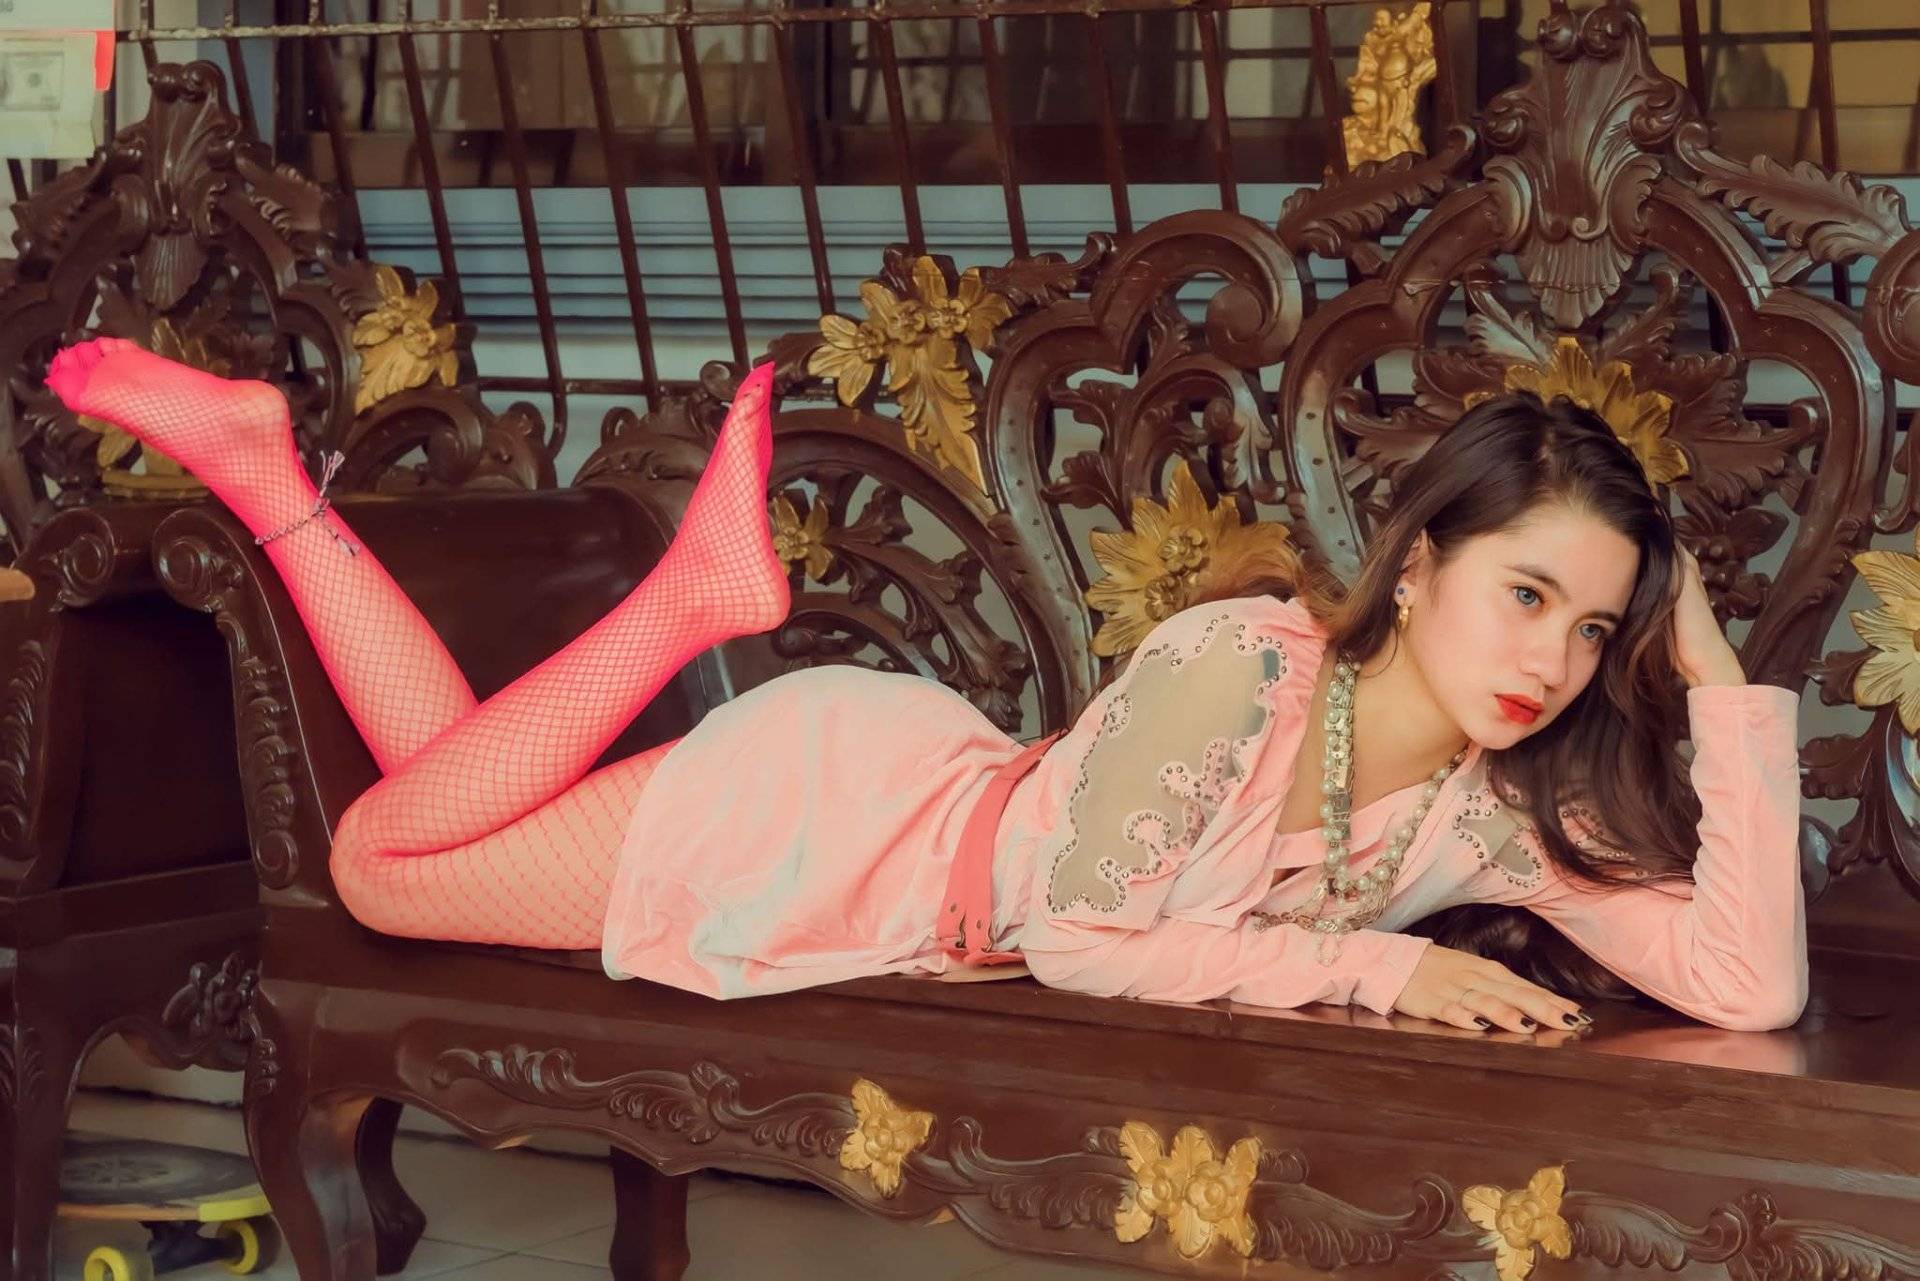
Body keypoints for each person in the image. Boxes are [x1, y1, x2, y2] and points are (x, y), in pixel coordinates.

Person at [46, 338, 1807, 1035]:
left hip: (892, 897)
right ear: (1418, 566)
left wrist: (1720, 684)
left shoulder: (1495, 816)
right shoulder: (1239, 668)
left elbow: (1746, 984)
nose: (1550, 660)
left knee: (437, 796)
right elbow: (1077, 935)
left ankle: (267, 472)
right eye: (1524, 594)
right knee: (380, 861)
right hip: (841, 821)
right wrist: (1382, 964)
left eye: (1595, 630)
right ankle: (687, 600)